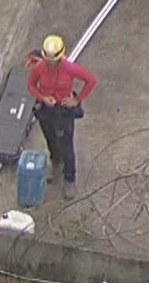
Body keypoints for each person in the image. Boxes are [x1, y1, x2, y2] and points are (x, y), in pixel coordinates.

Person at [26, 34, 97, 187]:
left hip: (64, 111)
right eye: (48, 61)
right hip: (47, 110)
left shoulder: (69, 68)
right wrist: (43, 98)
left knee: (67, 144)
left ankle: (69, 178)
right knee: (50, 139)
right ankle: (56, 163)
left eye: (54, 62)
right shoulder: (39, 67)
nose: (51, 65)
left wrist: (76, 100)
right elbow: (31, 85)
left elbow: (91, 80)